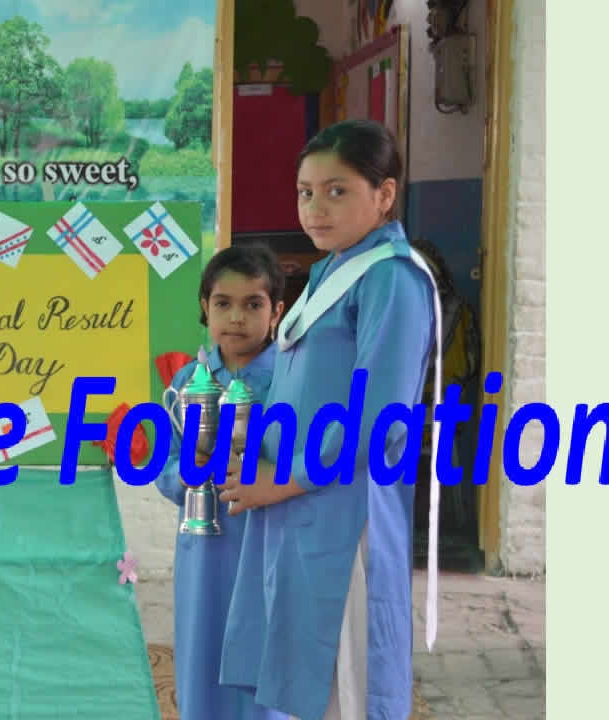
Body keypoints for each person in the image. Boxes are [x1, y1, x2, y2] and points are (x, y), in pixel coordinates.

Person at [217, 119, 443, 720]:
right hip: (299, 503)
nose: (315, 208)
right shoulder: (330, 271)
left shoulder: (391, 278)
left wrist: (281, 480)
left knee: (345, 682)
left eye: (336, 191)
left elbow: (380, 418)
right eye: (305, 192)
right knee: (304, 681)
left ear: (385, 194)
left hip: (342, 511)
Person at [156, 243, 287, 720]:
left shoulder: (290, 379)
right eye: (223, 303)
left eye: (253, 304)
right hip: (204, 553)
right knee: (202, 657)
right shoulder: (186, 382)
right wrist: (186, 471)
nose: (236, 317)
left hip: (269, 542)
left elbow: (304, 461)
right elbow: (165, 466)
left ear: (277, 312)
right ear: (204, 308)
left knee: (268, 661)